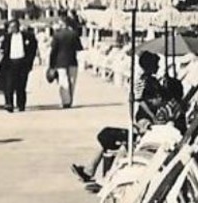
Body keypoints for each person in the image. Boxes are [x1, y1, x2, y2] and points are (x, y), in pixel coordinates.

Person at [71, 52, 184, 188]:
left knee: (109, 136)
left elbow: (142, 104)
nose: (158, 67)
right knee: (109, 136)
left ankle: (98, 173)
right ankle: (91, 170)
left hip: (149, 134)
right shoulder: (162, 97)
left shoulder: (151, 89)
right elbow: (143, 102)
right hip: (149, 129)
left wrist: (147, 121)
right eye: (156, 64)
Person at [0, 18, 38, 113]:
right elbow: (1, 50)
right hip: (10, 63)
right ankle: (9, 104)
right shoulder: (6, 37)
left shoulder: (27, 36)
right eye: (11, 27)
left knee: (21, 85)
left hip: (22, 63)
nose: (12, 28)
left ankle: (21, 104)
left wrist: (29, 61)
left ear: (18, 26)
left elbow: (33, 48)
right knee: (9, 85)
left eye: (14, 26)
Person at [47, 15, 82, 109]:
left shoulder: (57, 35)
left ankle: (65, 101)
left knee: (63, 81)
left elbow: (53, 50)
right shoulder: (74, 34)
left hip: (60, 61)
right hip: (72, 60)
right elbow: (79, 47)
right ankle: (70, 100)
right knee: (72, 81)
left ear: (62, 23)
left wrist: (51, 64)